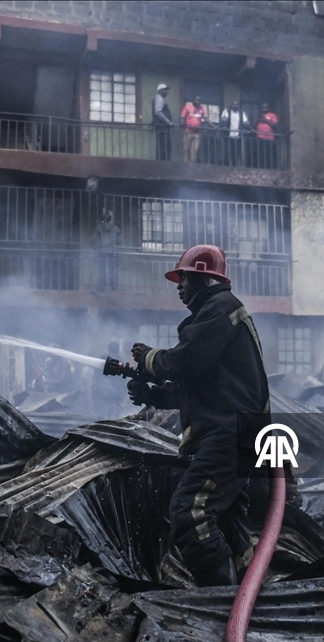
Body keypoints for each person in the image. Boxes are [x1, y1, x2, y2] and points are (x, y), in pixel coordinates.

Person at [128, 245, 269, 586]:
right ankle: (250, 596)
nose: (178, 286)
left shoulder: (220, 309)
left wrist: (149, 358)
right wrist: (154, 395)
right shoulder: (218, 313)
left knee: (190, 512)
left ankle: (219, 600)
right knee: (229, 526)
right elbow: (204, 386)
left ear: (205, 279)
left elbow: (183, 362)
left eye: (184, 278)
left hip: (230, 435)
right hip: (236, 431)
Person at [91, 209, 122, 291]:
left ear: (103, 219)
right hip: (113, 251)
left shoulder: (99, 228)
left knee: (102, 269)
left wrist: (96, 248)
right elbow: (119, 242)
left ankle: (102, 286)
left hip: (103, 251)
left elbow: (93, 239)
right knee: (113, 269)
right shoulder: (116, 228)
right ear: (110, 219)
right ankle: (113, 286)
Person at [220, 100, 249, 166]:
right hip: (228, 136)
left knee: (236, 153)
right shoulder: (227, 111)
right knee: (227, 152)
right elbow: (224, 119)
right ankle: (226, 167)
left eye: (236, 104)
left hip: (238, 137)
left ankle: (234, 166)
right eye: (234, 104)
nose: (235, 106)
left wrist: (250, 128)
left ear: (238, 105)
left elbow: (246, 122)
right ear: (231, 105)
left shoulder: (241, 113)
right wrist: (224, 126)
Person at [180, 95, 208, 163]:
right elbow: (182, 117)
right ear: (193, 100)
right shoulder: (187, 107)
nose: (198, 102)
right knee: (185, 150)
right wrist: (182, 124)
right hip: (187, 132)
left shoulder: (201, 108)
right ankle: (184, 165)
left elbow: (206, 118)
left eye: (199, 101)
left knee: (194, 151)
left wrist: (214, 127)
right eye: (196, 100)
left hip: (197, 133)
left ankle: (191, 167)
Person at [152, 83, 174, 161]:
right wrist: (168, 122)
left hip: (161, 127)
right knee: (164, 146)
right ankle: (162, 163)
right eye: (165, 90)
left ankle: (162, 162)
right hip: (162, 127)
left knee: (164, 146)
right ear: (160, 90)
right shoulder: (159, 98)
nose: (166, 92)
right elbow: (158, 112)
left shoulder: (158, 98)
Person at [255, 102, 279, 169]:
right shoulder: (258, 116)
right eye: (263, 107)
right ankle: (261, 168)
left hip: (269, 138)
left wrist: (265, 120)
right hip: (260, 137)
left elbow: (275, 125)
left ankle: (269, 168)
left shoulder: (272, 115)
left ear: (268, 108)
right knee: (260, 155)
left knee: (268, 154)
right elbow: (254, 126)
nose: (264, 108)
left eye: (265, 107)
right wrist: (258, 119)